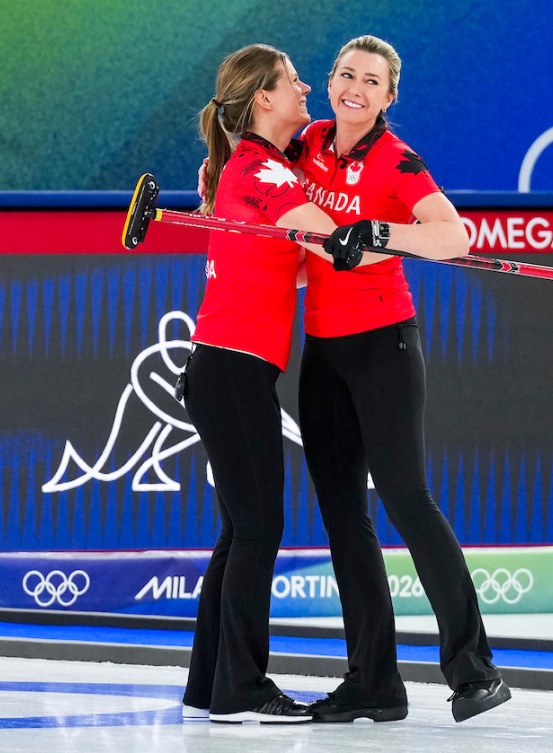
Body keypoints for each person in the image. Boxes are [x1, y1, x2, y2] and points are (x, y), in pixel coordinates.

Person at [297, 35, 511, 724]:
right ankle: (373, 681)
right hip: (322, 350)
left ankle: (474, 672)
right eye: (346, 74)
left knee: (406, 497)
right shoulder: (306, 142)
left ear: (389, 97)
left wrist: (378, 234)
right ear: (330, 81)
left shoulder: (396, 159)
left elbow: (454, 237)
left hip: (384, 344)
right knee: (342, 516)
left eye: (371, 81)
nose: (355, 87)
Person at [179, 42, 338, 725]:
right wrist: (377, 232)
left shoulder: (249, 169)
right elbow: (322, 231)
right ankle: (242, 688)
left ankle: (208, 685)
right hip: (233, 369)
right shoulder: (262, 171)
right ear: (263, 99)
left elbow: (294, 261)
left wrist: (330, 242)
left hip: (228, 368)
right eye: (293, 82)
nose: (306, 89)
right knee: (258, 529)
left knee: (239, 530)